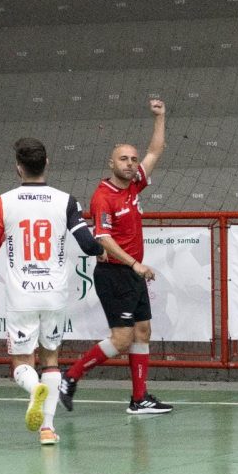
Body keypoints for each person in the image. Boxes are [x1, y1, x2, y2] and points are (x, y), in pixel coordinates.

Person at [0, 137, 104, 445]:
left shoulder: (3, 202)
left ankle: (33, 387)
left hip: (21, 295)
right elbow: (88, 245)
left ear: (18, 168)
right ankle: (47, 429)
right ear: (47, 163)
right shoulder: (66, 200)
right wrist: (101, 249)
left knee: (22, 362)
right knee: (51, 359)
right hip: (55, 293)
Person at [59, 99, 173, 415]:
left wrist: (160, 117)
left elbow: (155, 152)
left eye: (133, 159)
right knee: (121, 340)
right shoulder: (103, 197)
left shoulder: (134, 186)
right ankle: (70, 377)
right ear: (111, 164)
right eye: (123, 159)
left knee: (143, 332)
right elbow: (103, 238)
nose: (131, 163)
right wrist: (134, 263)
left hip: (133, 275)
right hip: (114, 274)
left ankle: (139, 399)